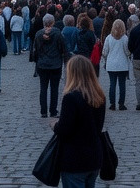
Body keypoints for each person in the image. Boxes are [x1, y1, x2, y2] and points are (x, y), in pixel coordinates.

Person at [52, 56, 106, 188]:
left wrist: (54, 125)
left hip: (75, 159)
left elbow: (65, 129)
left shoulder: (71, 98)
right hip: (94, 156)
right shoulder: (99, 96)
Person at [33, 14, 69, 118]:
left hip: (42, 64)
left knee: (43, 88)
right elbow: (64, 48)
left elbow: (34, 50)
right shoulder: (58, 33)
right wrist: (65, 61)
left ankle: (43, 111)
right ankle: (53, 111)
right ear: (52, 22)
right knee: (54, 88)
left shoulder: (38, 34)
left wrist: (37, 61)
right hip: (55, 64)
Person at [102, 19, 131, 111]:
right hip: (122, 64)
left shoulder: (109, 38)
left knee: (112, 84)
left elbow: (105, 52)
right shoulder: (125, 38)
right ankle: (121, 104)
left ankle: (112, 104)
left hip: (111, 64)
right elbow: (127, 52)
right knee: (122, 85)